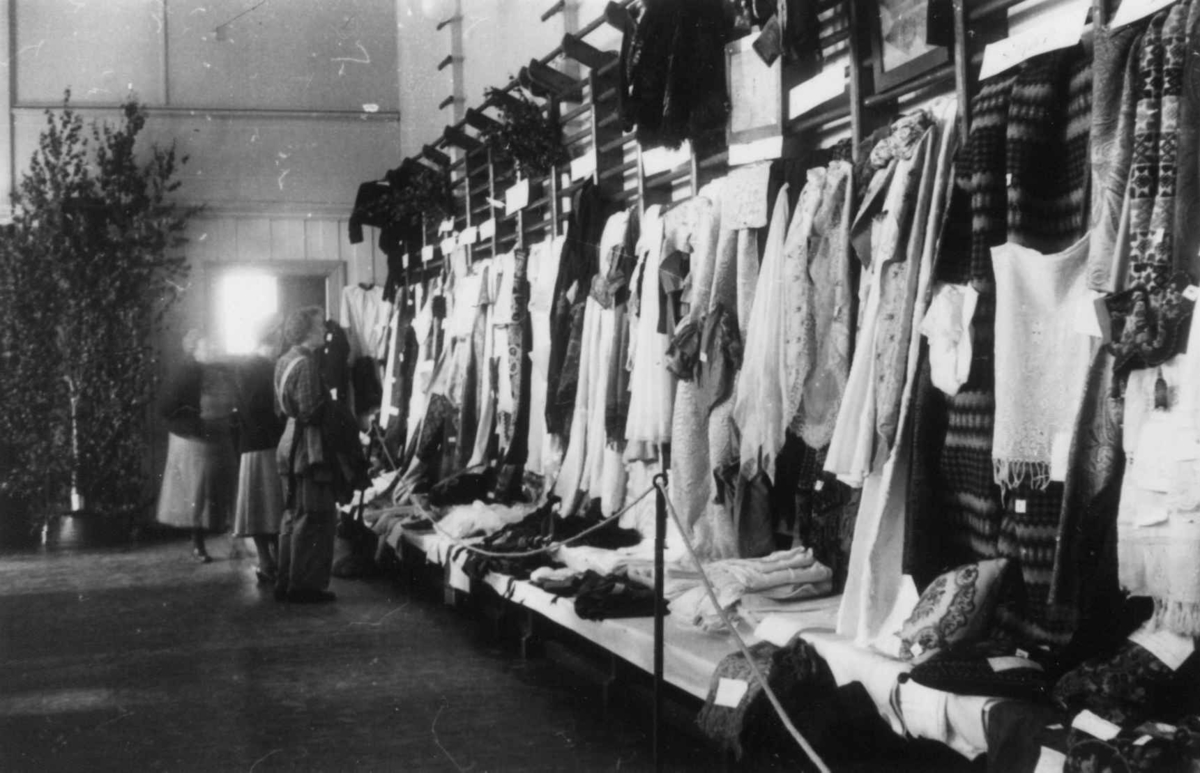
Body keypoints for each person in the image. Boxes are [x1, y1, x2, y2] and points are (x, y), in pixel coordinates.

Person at [274, 307, 339, 603]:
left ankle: (285, 580)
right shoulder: (307, 364)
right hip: (309, 446)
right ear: (307, 331)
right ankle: (304, 587)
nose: (323, 330)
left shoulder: (283, 360)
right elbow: (311, 411)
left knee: (292, 515)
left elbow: (282, 408)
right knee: (312, 515)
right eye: (318, 326)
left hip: (289, 440)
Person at [156, 329, 224, 562]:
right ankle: (198, 545)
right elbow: (165, 407)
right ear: (195, 349)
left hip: (204, 437)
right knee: (195, 493)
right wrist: (194, 423)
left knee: (203, 492)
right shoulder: (186, 372)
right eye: (208, 347)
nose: (213, 350)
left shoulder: (206, 370)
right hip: (191, 439)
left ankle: (202, 542)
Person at [232, 321, 286, 584]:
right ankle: (266, 561)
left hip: (268, 443)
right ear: (272, 338)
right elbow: (254, 411)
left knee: (271, 506)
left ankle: (274, 562)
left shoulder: (266, 366)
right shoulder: (251, 367)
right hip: (260, 445)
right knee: (261, 507)